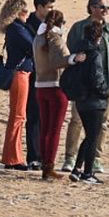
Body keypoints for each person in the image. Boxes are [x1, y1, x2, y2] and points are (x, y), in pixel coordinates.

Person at [62, 0, 109, 174]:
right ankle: (70, 157)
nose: (105, 11)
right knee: (76, 120)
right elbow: (70, 51)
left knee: (102, 123)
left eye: (107, 8)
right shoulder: (79, 28)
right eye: (102, 7)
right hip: (83, 84)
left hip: (104, 84)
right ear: (91, 8)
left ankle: (95, 157)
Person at [32, 10, 83, 181]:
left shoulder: (38, 38)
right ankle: (49, 166)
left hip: (40, 86)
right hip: (55, 86)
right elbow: (58, 61)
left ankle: (45, 165)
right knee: (53, 130)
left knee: (45, 128)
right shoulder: (55, 38)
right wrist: (74, 59)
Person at [63, 18, 109, 184]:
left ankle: (77, 169)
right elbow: (96, 79)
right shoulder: (94, 54)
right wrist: (105, 92)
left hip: (81, 100)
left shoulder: (79, 53)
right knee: (93, 137)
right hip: (94, 101)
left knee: (90, 135)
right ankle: (87, 172)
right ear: (98, 37)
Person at [0, 0, 35, 170]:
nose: (27, 14)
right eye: (25, 11)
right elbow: (33, 46)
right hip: (20, 74)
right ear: (17, 12)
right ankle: (12, 158)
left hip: (22, 74)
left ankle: (12, 156)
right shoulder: (17, 29)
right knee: (18, 116)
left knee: (18, 115)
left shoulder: (17, 28)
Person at [24, 0, 56, 168]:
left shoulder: (52, 24)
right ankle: (34, 156)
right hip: (34, 76)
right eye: (49, 7)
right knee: (34, 116)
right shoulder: (29, 26)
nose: (52, 10)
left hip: (50, 76)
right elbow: (33, 49)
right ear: (39, 7)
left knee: (48, 117)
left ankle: (45, 156)